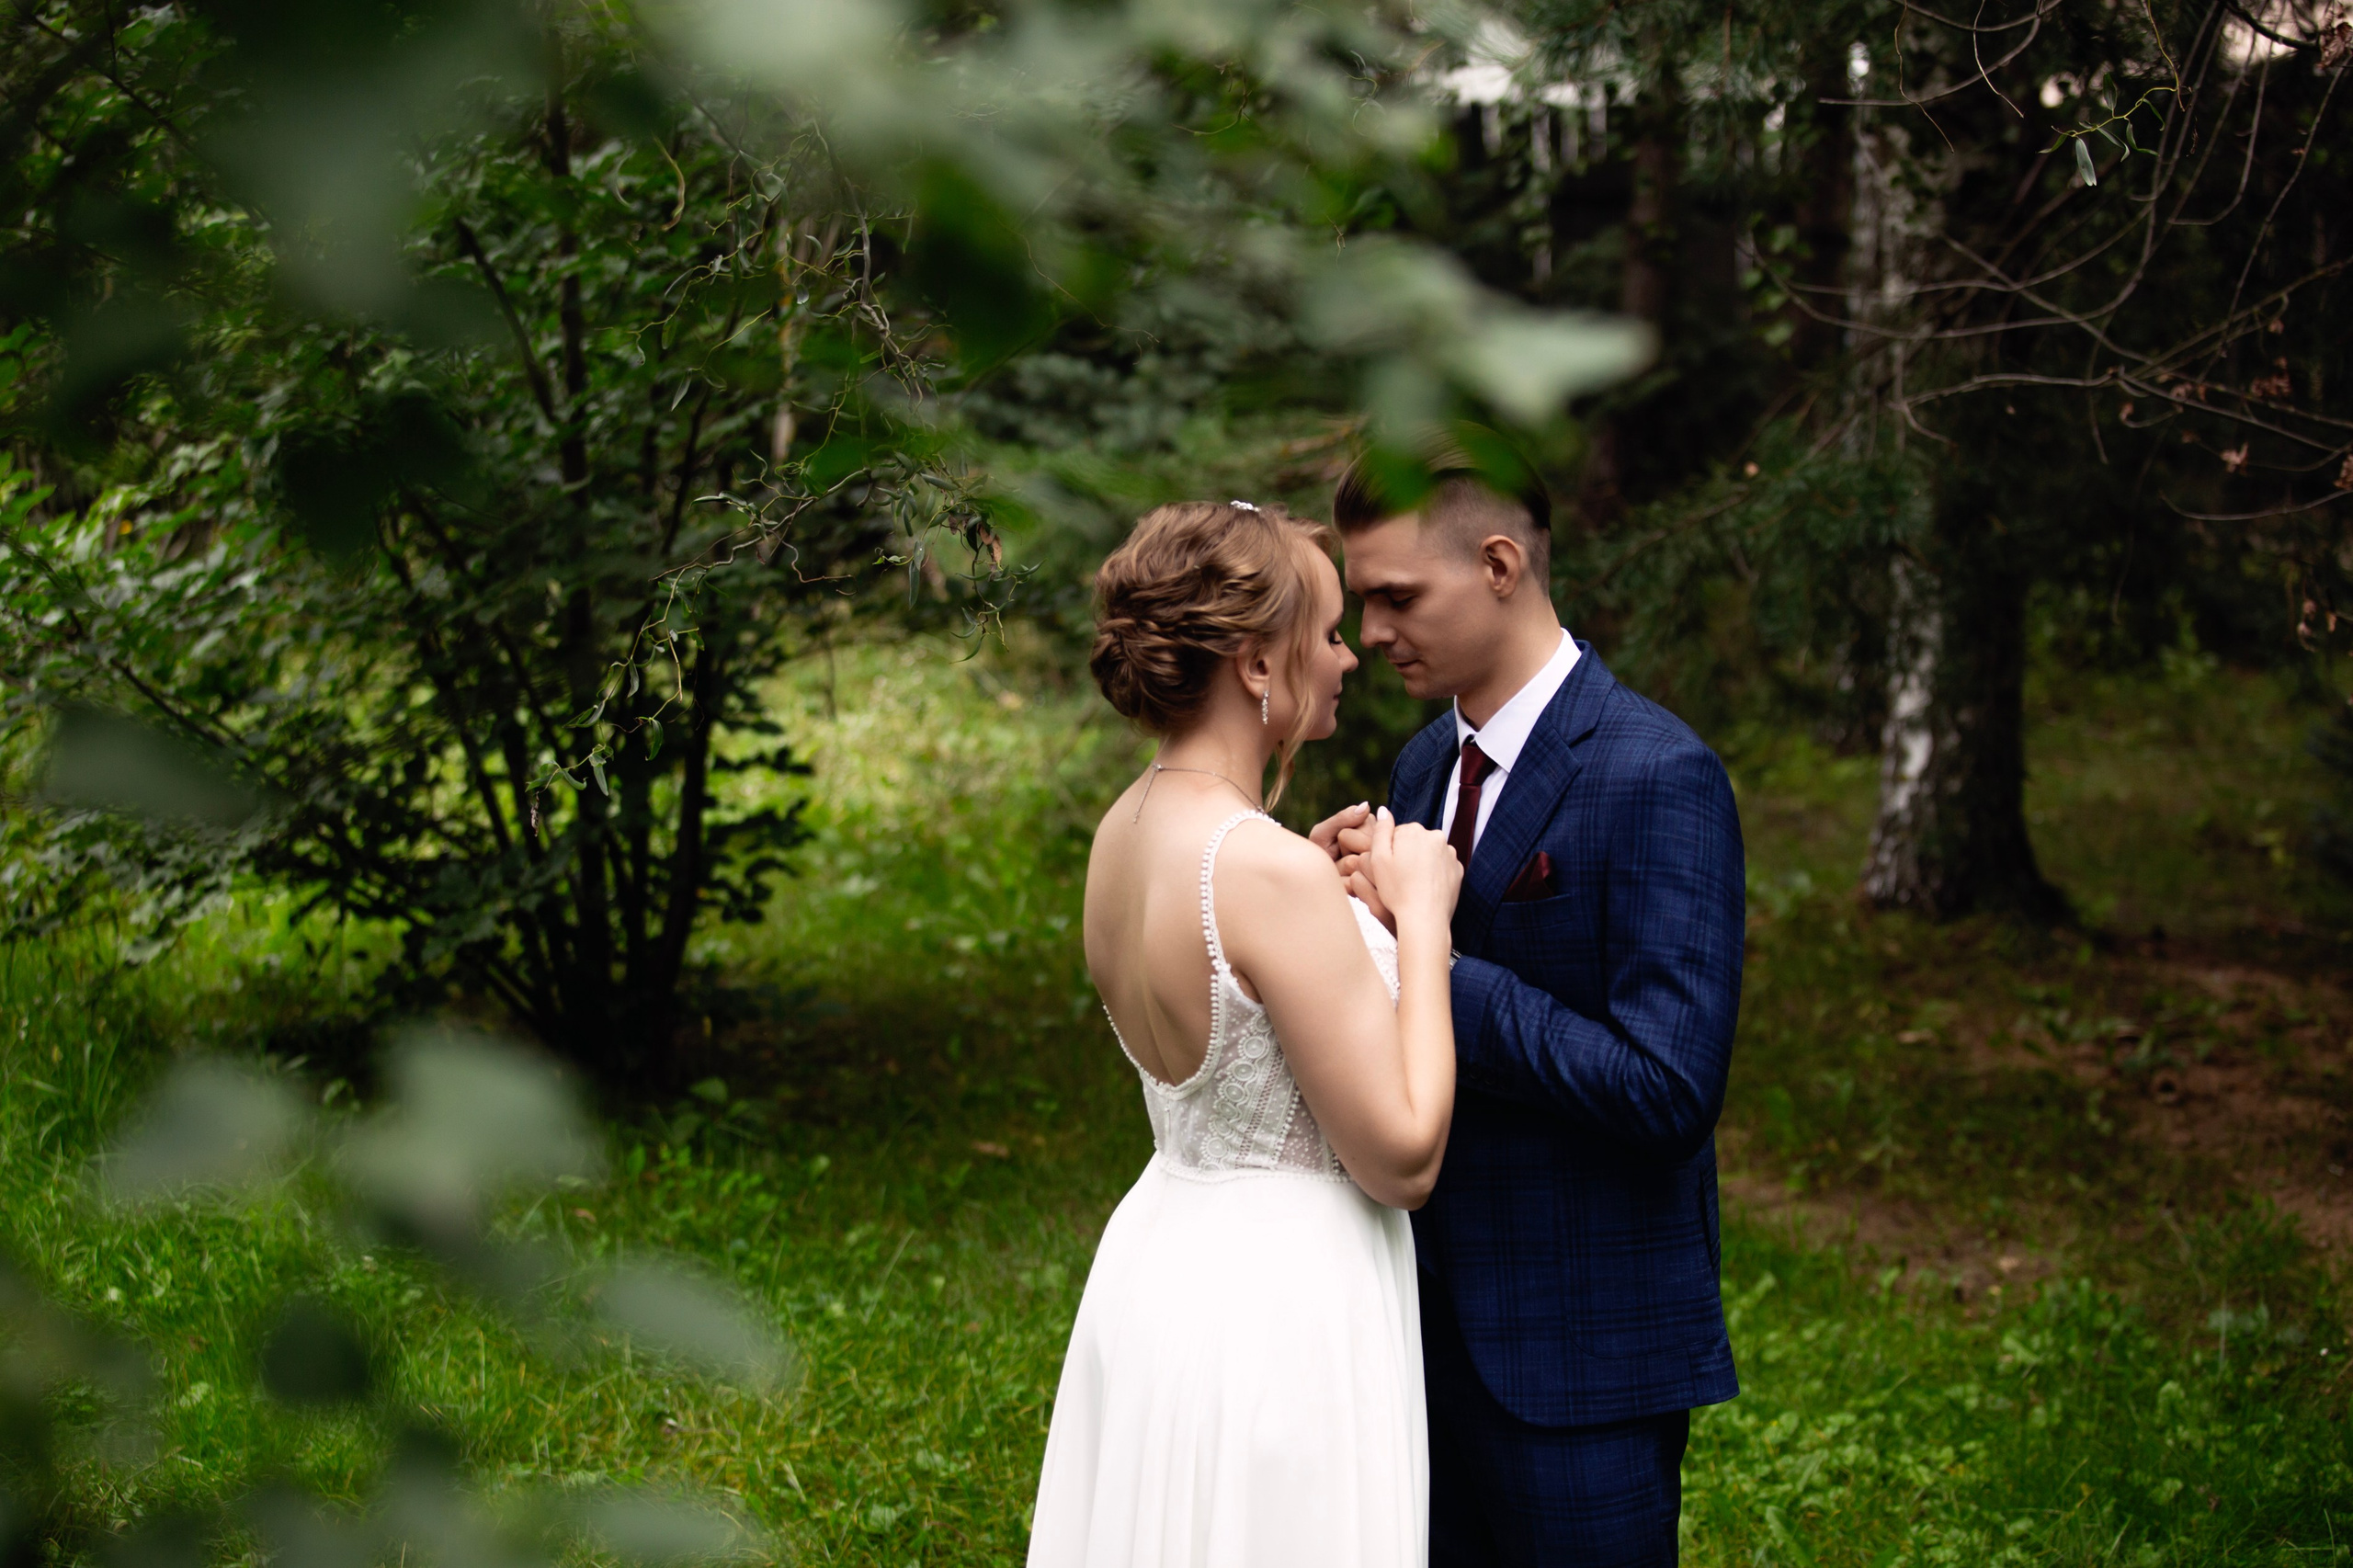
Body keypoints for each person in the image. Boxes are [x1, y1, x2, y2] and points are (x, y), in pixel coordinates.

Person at [1317, 440, 1745, 1568]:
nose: (1368, 633)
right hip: (1412, 1333)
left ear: (1500, 563)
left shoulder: (1659, 774)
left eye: (1396, 596)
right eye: (1361, 601)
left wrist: (1433, 961)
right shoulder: (1419, 770)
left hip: (1582, 1352)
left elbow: (1667, 1090)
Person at [1028, 499, 1463, 1568]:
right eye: (1323, 633)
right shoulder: (1266, 871)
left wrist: (1315, 889)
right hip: (1283, 1303)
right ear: (1257, 662)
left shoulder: (1124, 829)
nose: (1348, 655)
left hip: (1165, 1261)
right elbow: (1404, 1154)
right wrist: (1423, 925)